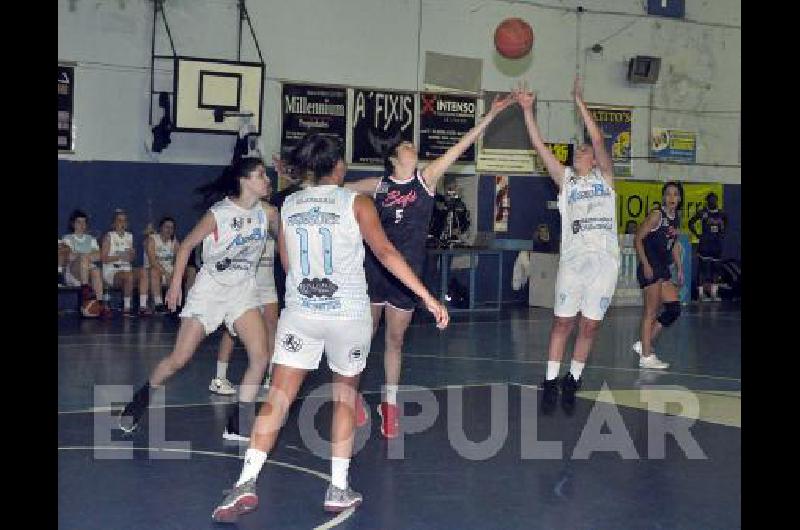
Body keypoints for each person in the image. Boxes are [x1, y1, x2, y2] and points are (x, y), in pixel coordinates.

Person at [211, 133, 448, 523]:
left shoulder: (289, 205)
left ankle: (245, 481)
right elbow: (387, 253)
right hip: (347, 314)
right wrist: (426, 296)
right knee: (344, 397)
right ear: (338, 166)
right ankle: (338, 486)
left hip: (302, 311)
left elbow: (287, 264)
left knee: (280, 397)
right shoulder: (357, 202)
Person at [346, 92, 514, 437]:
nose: (413, 147)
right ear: (395, 156)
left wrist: (491, 114)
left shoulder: (426, 179)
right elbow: (336, 188)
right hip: (376, 272)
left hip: (408, 277)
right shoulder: (377, 186)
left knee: (395, 341)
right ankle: (354, 399)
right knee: (364, 338)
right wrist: (296, 179)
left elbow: (463, 144)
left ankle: (389, 405)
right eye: (407, 144)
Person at [118, 157, 272, 443]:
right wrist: (175, 284)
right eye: (261, 175)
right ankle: (138, 402)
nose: (267, 180)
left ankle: (238, 423)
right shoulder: (220, 213)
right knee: (179, 359)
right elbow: (187, 244)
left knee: (260, 356)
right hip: (210, 290)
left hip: (242, 290)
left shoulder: (266, 213)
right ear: (245, 180)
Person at [516, 78, 620, 415]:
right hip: (573, 262)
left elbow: (600, 139)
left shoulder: (606, 178)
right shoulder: (566, 180)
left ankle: (572, 380)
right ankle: (550, 380)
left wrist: (579, 101)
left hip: (604, 264)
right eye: (578, 149)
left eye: (585, 149)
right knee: (563, 323)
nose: (581, 151)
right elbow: (539, 146)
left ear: (595, 158)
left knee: (589, 326)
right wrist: (528, 111)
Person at [210, 194, 280, 397]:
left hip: (267, 285)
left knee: (271, 329)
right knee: (232, 332)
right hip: (245, 285)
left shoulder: (273, 221)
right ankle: (219, 378)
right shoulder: (243, 221)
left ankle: (269, 376)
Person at [632, 181, 685, 369]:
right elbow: (637, 238)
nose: (672, 198)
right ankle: (646, 357)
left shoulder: (675, 219)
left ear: (680, 198)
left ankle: (643, 344)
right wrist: (645, 264)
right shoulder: (657, 216)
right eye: (668, 194)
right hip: (651, 267)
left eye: (675, 194)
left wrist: (679, 268)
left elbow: (675, 246)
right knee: (650, 312)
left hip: (663, 269)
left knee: (673, 310)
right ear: (663, 197)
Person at [61, 209, 110, 317]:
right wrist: (86, 256)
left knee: (96, 270)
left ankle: (100, 304)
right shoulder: (67, 239)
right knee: (84, 258)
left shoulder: (91, 239)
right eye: (79, 222)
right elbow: (69, 256)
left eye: (84, 222)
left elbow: (98, 256)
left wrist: (82, 255)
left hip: (88, 272)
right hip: (73, 274)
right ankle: (85, 289)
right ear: (73, 224)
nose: (82, 225)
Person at [688, 192, 727, 301]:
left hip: (717, 245)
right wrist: (697, 234)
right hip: (705, 244)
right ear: (707, 201)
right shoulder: (703, 212)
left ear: (717, 201)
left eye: (714, 199)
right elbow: (691, 223)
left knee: (716, 269)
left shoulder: (722, 213)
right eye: (710, 200)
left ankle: (714, 294)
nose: (712, 201)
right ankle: (700, 294)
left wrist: (722, 233)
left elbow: (726, 223)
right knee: (703, 269)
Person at [100, 209, 139, 317]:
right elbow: (103, 258)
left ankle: (144, 306)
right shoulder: (109, 236)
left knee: (144, 273)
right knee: (128, 276)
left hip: (126, 269)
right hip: (112, 271)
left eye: (124, 221)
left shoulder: (129, 236)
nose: (122, 223)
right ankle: (126, 307)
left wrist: (132, 255)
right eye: (120, 220)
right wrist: (120, 256)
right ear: (114, 223)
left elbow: (131, 258)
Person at [139, 217, 179, 315]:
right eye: (167, 227)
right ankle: (158, 304)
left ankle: (176, 304)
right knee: (154, 271)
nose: (169, 230)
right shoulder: (152, 239)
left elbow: (178, 262)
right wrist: (166, 274)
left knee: (177, 276)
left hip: (168, 272)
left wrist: (174, 274)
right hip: (153, 271)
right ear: (160, 228)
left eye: (171, 228)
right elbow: (153, 261)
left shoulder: (175, 243)